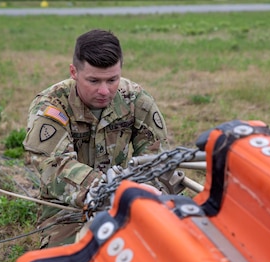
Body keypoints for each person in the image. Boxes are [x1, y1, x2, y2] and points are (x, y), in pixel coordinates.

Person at [23, 29, 169, 249]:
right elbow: (54, 166)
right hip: (67, 205)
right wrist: (105, 189)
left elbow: (156, 160)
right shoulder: (52, 105)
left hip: (128, 199)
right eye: (93, 80)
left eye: (112, 79)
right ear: (74, 72)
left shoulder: (136, 99)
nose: (104, 90)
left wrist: (141, 191)